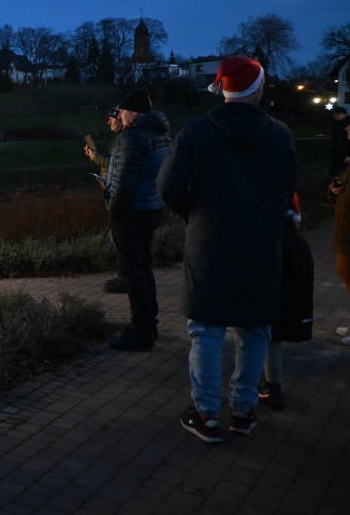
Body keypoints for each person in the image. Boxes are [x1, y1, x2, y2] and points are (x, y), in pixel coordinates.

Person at [158, 56, 297, 443]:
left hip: (211, 242)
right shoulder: (280, 135)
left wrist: (195, 213)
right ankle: (242, 410)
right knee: (254, 329)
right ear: (257, 89)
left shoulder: (196, 133)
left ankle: (206, 416)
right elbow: (288, 188)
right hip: (261, 244)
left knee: (206, 330)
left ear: (224, 89)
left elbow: (167, 186)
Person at [104, 88, 171, 351]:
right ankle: (149, 324)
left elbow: (123, 181)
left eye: (122, 110)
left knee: (132, 272)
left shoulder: (133, 139)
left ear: (134, 112)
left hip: (130, 213)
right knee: (144, 268)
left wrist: (114, 211)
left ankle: (141, 330)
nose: (120, 115)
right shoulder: (164, 136)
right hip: (152, 209)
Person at [259, 195, 314, 410]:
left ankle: (270, 390)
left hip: (272, 306)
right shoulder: (298, 242)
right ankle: (272, 387)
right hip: (288, 307)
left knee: (262, 343)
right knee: (272, 345)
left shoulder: (275, 242)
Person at [84, 105, 127, 294]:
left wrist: (95, 157)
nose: (108, 121)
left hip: (118, 195)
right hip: (111, 190)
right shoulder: (119, 138)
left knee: (122, 239)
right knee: (118, 238)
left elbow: (113, 162)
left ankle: (125, 279)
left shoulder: (124, 140)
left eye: (112, 118)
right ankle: (123, 277)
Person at [327, 118, 350, 345]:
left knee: (345, 271)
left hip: (348, 234)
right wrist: (336, 190)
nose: (347, 129)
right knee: (344, 272)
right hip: (344, 232)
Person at [329, 107, 350, 177]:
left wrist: (348, 155)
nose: (335, 116)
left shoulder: (347, 124)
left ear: (343, 114)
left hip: (345, 155)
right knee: (331, 174)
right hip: (337, 155)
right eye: (334, 114)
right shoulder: (336, 124)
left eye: (337, 114)